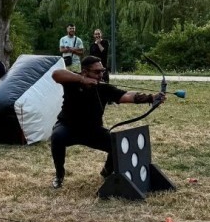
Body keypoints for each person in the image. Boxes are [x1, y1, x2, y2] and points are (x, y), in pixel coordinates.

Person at [49, 55, 165, 189]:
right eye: (97, 72)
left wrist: (151, 97)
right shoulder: (73, 81)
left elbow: (126, 95)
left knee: (117, 145)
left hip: (92, 130)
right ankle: (59, 175)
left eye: (103, 71)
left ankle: (106, 172)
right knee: (57, 137)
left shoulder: (103, 88)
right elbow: (56, 74)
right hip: (68, 127)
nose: (101, 75)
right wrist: (82, 79)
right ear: (85, 71)